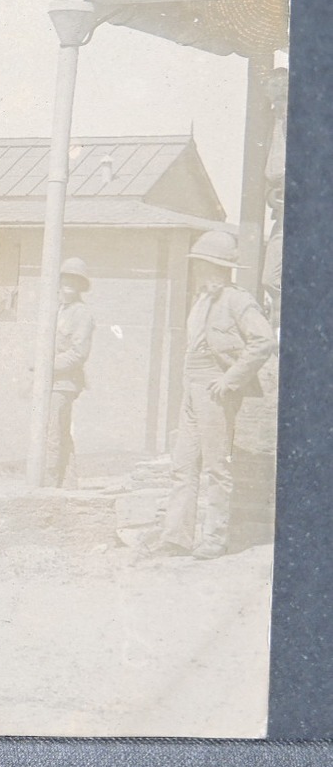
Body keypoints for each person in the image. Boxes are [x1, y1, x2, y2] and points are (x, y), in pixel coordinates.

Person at [149, 231, 276, 560]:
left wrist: (231, 379)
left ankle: (215, 539)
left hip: (215, 392)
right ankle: (176, 537)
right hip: (191, 390)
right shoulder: (202, 300)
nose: (203, 272)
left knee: (217, 468)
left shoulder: (237, 299)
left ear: (222, 269)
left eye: (208, 266)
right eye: (201, 266)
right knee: (183, 465)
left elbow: (263, 341)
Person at [44, 257, 95, 488]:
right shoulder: (56, 311)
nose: (67, 289)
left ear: (80, 287)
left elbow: (78, 354)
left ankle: (50, 482)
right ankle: (68, 482)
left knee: (54, 434)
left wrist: (46, 365)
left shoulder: (81, 314)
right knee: (57, 432)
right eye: (64, 283)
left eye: (72, 285)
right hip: (47, 381)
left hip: (64, 383)